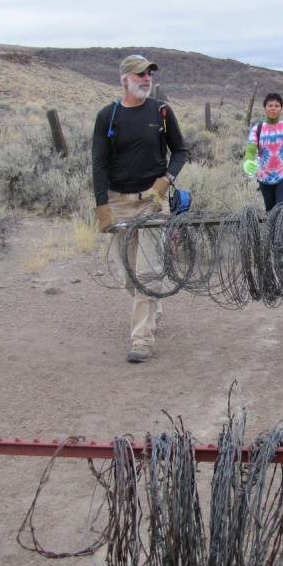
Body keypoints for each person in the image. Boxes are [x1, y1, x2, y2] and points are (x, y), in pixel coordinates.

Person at [92, 54, 190, 363]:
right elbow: (99, 164)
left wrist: (164, 181)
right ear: (124, 79)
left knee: (148, 272)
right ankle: (153, 307)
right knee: (129, 277)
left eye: (149, 73)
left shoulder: (161, 111)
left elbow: (180, 150)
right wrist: (101, 208)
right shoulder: (108, 116)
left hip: (152, 202)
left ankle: (142, 340)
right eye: (139, 74)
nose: (146, 78)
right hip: (118, 202)